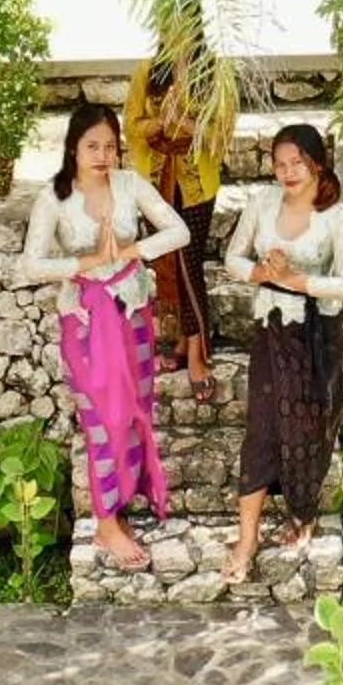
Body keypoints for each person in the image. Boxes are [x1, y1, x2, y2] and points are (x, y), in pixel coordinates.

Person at [17, 101, 190, 572]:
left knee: (134, 414)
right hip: (87, 322)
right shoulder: (54, 198)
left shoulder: (130, 185)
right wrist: (88, 262)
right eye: (92, 145)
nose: (102, 155)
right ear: (73, 148)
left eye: (110, 147)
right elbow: (30, 266)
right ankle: (106, 520)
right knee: (102, 419)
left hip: (132, 314)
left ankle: (121, 506)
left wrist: (132, 249)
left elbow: (179, 231)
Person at [220, 123, 343, 584]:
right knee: (261, 431)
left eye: (296, 162)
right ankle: (247, 539)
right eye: (279, 164)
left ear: (316, 163)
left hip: (318, 336)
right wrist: (263, 272)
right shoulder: (262, 204)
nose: (286, 172)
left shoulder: (337, 216)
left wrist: (298, 279)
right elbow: (232, 259)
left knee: (308, 429)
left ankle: (302, 513)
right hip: (273, 332)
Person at [123, 33, 229, 406]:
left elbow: (222, 132)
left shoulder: (215, 73)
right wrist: (157, 127)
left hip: (197, 183)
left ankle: (199, 354)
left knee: (188, 264)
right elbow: (131, 124)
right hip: (157, 181)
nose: (176, 30)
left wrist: (183, 123)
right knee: (168, 263)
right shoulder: (148, 71)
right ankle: (184, 342)